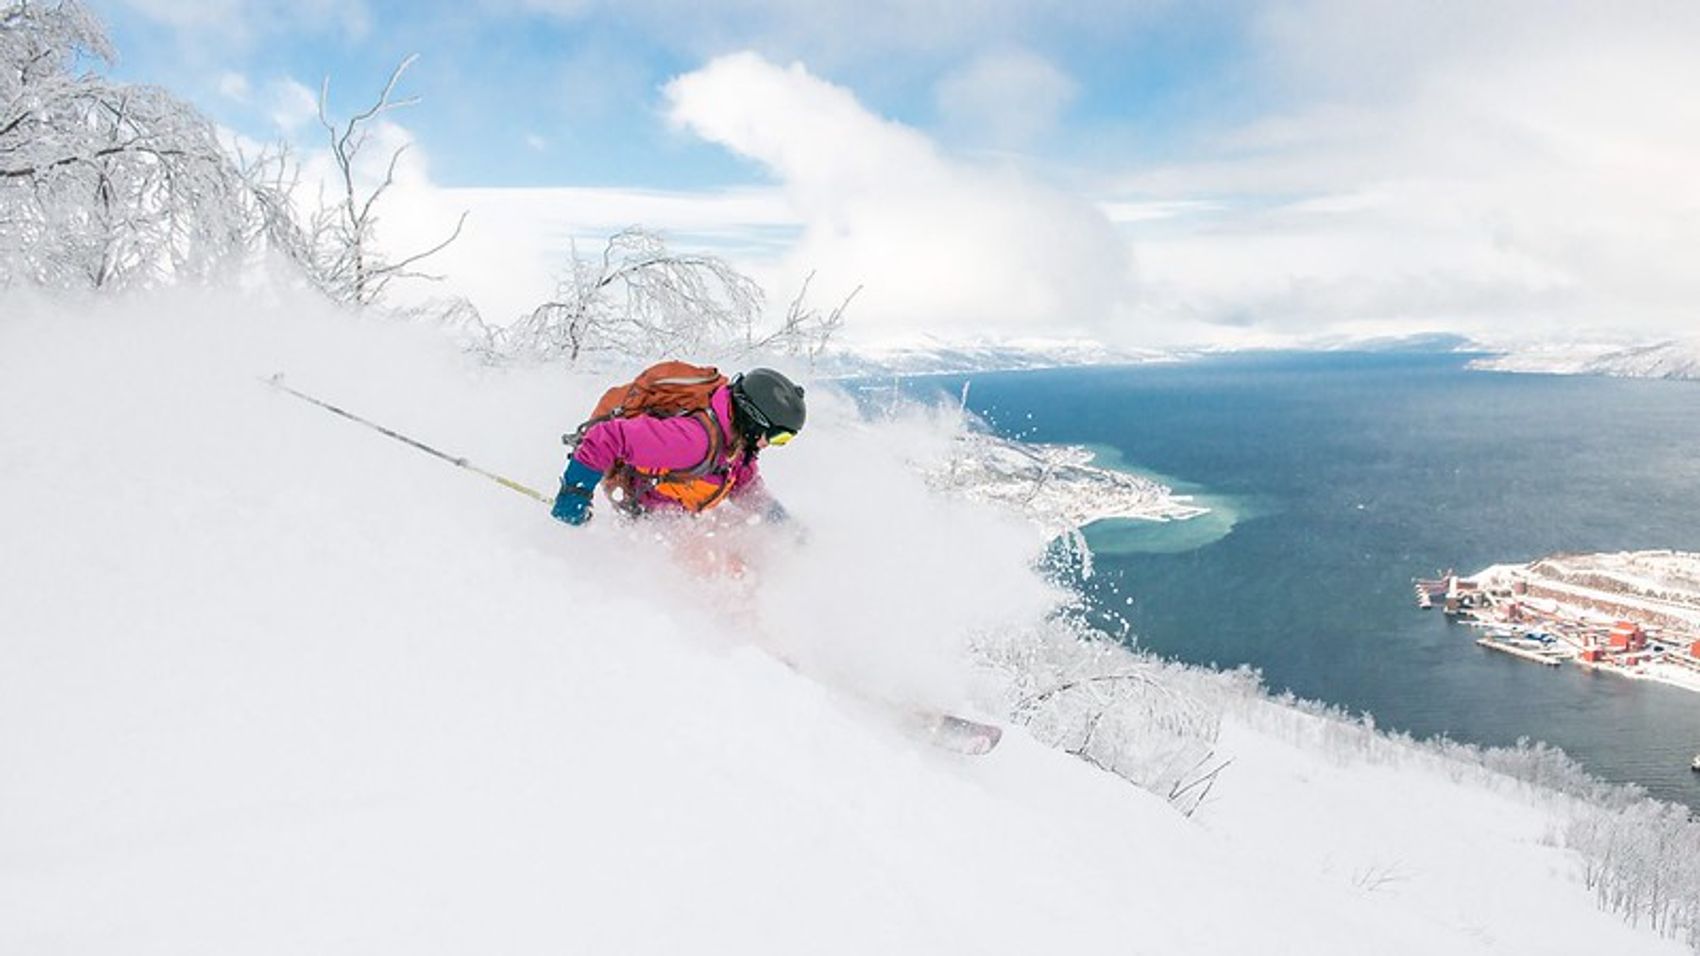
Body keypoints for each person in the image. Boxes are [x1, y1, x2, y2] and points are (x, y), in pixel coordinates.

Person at [550, 367, 806, 527]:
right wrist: (576, 492)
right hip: (647, 517)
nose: (773, 445)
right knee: (726, 566)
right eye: (778, 438)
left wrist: (779, 520)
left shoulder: (735, 434)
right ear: (755, 420)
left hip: (678, 513)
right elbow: (607, 436)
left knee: (741, 531)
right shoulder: (693, 442)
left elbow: (742, 482)